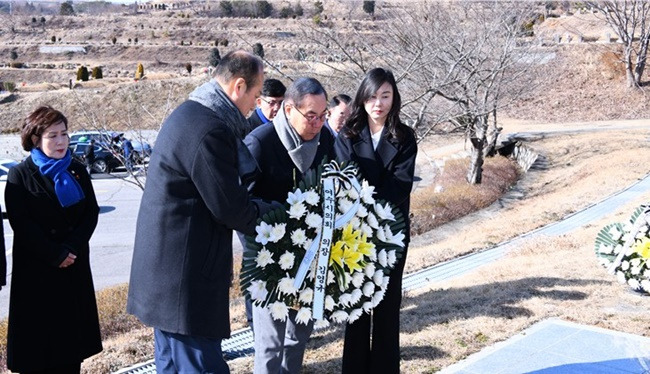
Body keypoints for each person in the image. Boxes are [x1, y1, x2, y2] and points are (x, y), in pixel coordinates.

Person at [126, 50, 271, 374]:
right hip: (184, 281)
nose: (257, 105)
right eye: (257, 95)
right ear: (238, 87)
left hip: (167, 276)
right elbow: (229, 206)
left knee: (172, 366)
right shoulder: (209, 129)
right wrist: (277, 217)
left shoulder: (192, 112)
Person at [245, 77, 335, 374]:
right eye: (311, 115)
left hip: (311, 259)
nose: (318, 123)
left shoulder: (327, 142)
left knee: (298, 338)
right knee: (270, 343)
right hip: (268, 261)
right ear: (288, 109)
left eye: (323, 115)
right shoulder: (260, 143)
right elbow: (240, 205)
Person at [5, 106, 102, 373]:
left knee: (70, 352)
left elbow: (90, 214)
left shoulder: (77, 171)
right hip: (38, 274)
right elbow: (21, 223)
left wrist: (71, 248)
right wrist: (54, 253)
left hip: (73, 269)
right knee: (37, 354)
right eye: (52, 136)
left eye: (64, 134)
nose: (61, 142)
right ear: (35, 139)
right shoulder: (20, 175)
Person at [334, 68, 417, 374]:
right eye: (372, 96)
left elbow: (400, 185)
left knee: (386, 307)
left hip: (391, 235)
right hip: (355, 233)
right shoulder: (347, 135)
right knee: (356, 307)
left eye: (385, 96)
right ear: (362, 98)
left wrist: (366, 195)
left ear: (394, 98)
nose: (378, 103)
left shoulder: (405, 137)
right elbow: (345, 180)